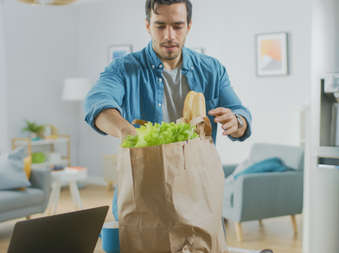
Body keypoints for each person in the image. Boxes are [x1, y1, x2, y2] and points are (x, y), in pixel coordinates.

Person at [84, 0, 252, 220]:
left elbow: (240, 113)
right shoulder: (123, 68)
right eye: (160, 26)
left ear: (189, 26)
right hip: (142, 194)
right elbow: (96, 102)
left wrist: (236, 122)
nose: (169, 35)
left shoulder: (211, 69)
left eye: (177, 26)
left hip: (198, 197)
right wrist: (126, 131)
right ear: (147, 26)